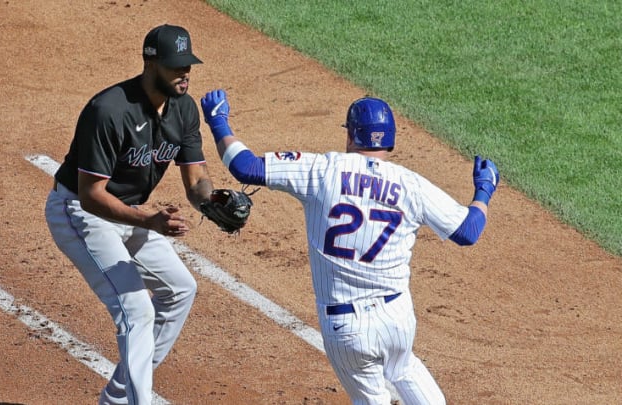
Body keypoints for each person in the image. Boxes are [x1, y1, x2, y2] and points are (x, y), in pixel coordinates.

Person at [199, 89, 499, 405]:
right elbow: (467, 231)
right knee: (404, 367)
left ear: (352, 135)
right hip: (397, 318)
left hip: (346, 328)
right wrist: (484, 190)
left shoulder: (322, 169)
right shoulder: (411, 185)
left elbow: (246, 168)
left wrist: (218, 121)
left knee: (373, 398)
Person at [45, 24, 215, 405]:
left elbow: (196, 182)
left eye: (187, 65)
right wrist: (149, 221)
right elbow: (91, 197)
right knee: (136, 308)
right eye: (175, 66)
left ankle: (120, 396)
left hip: (131, 214)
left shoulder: (184, 110)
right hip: (78, 210)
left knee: (180, 290)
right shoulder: (108, 110)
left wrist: (213, 201)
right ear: (150, 63)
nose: (184, 74)